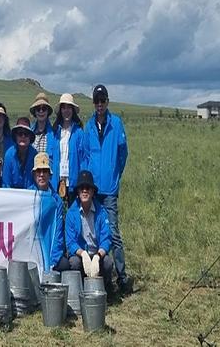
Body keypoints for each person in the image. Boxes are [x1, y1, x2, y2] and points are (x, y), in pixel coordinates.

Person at [83, 84, 132, 294]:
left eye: (103, 100)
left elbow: (123, 154)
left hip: (110, 189)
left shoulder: (117, 124)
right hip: (94, 189)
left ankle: (122, 277)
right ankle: (98, 275)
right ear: (94, 103)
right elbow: (86, 155)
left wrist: (114, 174)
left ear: (107, 102)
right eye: (97, 101)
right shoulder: (88, 126)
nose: (100, 104)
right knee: (92, 233)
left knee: (113, 232)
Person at [66, 170, 115, 293]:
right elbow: (70, 242)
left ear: (93, 192)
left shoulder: (101, 212)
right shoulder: (71, 213)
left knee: (108, 262)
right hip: (81, 254)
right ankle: (79, 290)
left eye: (88, 188)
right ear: (77, 192)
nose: (84, 191)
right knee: (74, 263)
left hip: (97, 253)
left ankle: (104, 289)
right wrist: (83, 254)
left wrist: (98, 256)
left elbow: (107, 238)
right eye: (81, 188)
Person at [29, 153, 70, 272]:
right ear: (34, 174)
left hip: (50, 252)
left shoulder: (57, 201)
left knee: (65, 264)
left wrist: (53, 261)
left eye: (45, 171)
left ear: (50, 175)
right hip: (31, 251)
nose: (41, 175)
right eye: (38, 171)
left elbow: (58, 235)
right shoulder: (27, 196)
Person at [52, 94, 85, 202]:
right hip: (57, 179)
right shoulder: (55, 131)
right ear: (61, 110)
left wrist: (82, 179)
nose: (66, 110)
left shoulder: (79, 132)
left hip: (73, 180)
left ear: (73, 110)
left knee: (72, 211)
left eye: (69, 107)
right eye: (64, 107)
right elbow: (51, 156)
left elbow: (83, 158)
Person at [3, 117, 38, 189]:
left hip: (30, 195)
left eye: (26, 134)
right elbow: (6, 183)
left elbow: (36, 182)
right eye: (20, 134)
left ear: (30, 137)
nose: (23, 137)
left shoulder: (35, 155)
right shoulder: (9, 155)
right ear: (15, 136)